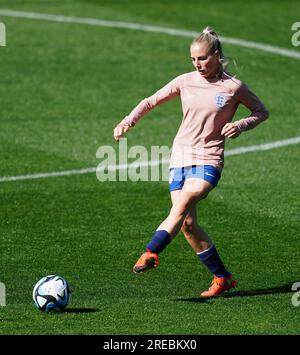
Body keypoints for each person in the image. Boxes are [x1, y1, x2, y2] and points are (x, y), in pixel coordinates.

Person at [113, 26, 269, 297]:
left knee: (183, 203)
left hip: (209, 157)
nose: (198, 64)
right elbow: (150, 101)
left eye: (203, 58)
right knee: (186, 224)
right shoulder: (185, 81)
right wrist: (128, 121)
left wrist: (241, 125)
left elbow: (261, 111)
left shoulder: (234, 87)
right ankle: (222, 278)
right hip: (180, 156)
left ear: (217, 55)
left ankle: (151, 252)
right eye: (193, 59)